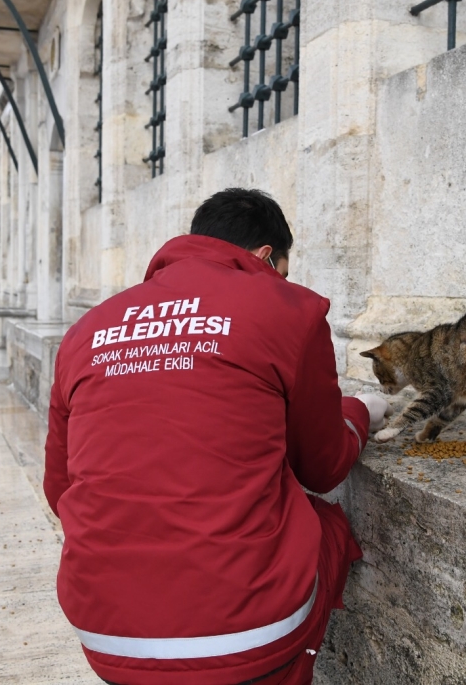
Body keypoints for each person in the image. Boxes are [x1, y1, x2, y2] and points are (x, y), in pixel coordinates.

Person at [43, 188, 389, 685]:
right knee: (327, 526)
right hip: (244, 641)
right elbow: (323, 464)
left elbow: (60, 490)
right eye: (284, 271)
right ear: (266, 257)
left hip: (106, 635)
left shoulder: (87, 329)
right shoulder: (287, 308)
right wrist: (357, 411)